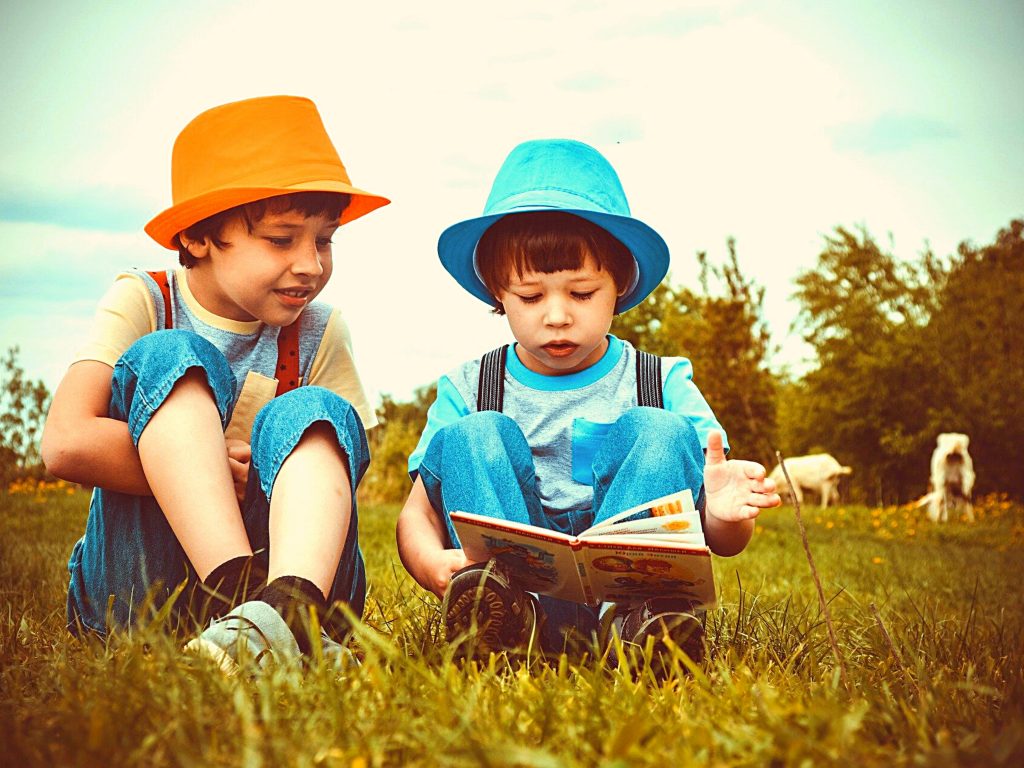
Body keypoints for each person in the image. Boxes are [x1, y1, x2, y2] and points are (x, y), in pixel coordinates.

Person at [395, 138, 781, 665]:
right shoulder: (468, 386)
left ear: (619, 283)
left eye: (581, 294)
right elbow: (416, 514)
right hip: (515, 592)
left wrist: (725, 515)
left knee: (660, 429)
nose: (556, 316)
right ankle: (499, 623)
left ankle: (641, 630)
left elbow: (723, 538)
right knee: (473, 434)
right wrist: (431, 564)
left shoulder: (661, 380)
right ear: (496, 292)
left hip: (631, 593)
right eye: (530, 297)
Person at [41, 95, 389, 671]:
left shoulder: (322, 329)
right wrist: (201, 468)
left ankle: (289, 610)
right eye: (282, 239)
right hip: (142, 593)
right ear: (200, 237)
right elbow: (65, 443)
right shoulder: (146, 298)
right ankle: (248, 606)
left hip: (290, 567)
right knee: (171, 355)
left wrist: (279, 469)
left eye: (324, 240)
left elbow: (344, 461)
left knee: (316, 411)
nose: (311, 264)